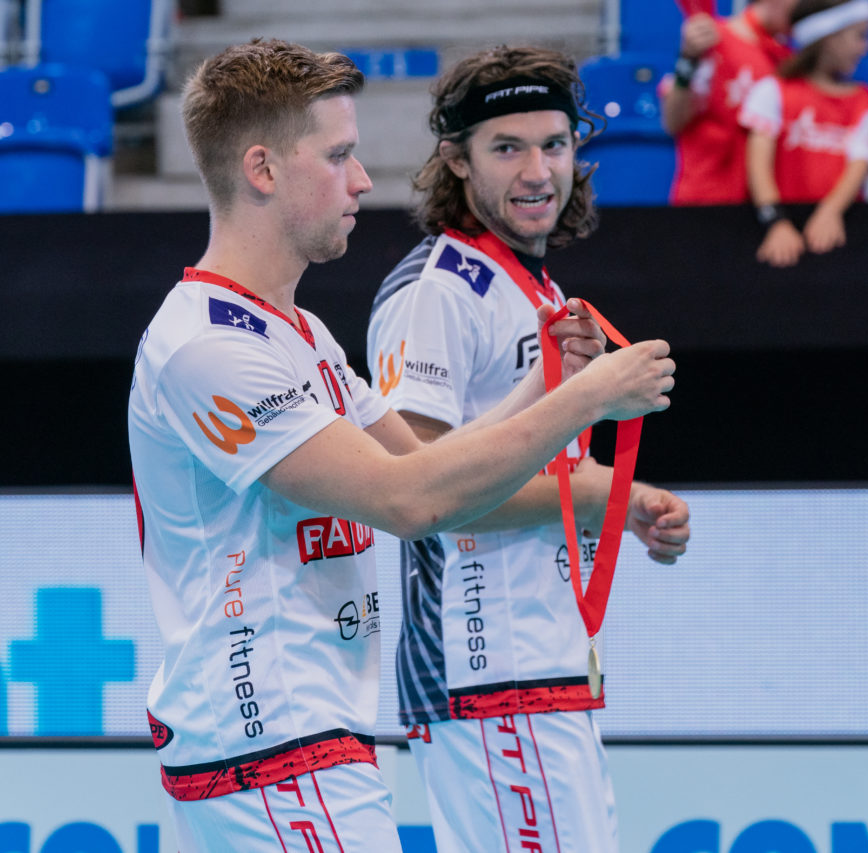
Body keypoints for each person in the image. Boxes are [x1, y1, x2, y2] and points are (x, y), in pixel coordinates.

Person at [127, 38, 677, 851]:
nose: (362, 180)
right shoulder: (207, 345)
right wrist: (589, 399)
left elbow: (423, 464)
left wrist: (548, 383)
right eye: (340, 155)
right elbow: (410, 503)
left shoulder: (299, 332)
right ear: (263, 170)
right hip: (267, 750)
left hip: (317, 744)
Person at [366, 45, 692, 853]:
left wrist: (631, 499)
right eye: (506, 147)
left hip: (544, 666)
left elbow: (531, 458)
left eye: (553, 143)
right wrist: (592, 496)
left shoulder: (538, 290)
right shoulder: (438, 288)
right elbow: (421, 492)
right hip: (486, 669)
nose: (538, 169)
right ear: (457, 161)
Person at [739, 0, 868, 267]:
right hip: (780, 230)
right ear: (829, 38)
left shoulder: (862, 100)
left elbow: (860, 162)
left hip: (839, 230)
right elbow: (758, 165)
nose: (866, 47)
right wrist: (776, 221)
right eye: (859, 36)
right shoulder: (773, 91)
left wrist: (831, 211)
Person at [660, 0, 798, 205]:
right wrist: (688, 60)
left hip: (761, 205)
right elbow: (673, 121)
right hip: (707, 201)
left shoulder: (787, 59)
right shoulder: (712, 39)